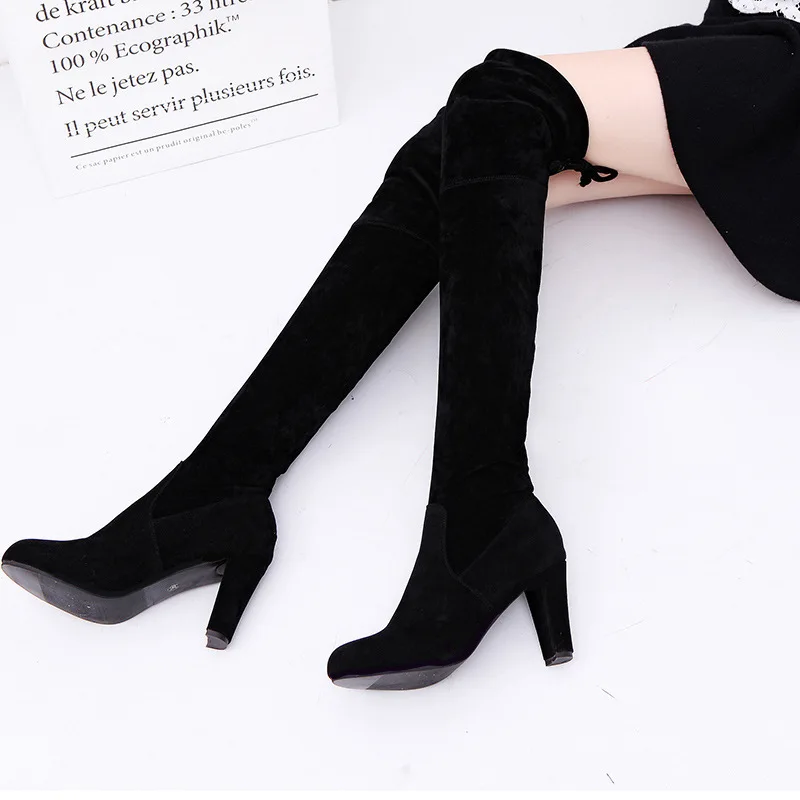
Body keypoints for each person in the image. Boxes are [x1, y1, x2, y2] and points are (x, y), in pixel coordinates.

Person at [3, 0, 799, 690]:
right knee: (453, 152)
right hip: (743, 58)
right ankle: (216, 494)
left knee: (506, 97)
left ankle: (483, 510)